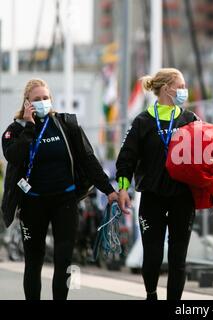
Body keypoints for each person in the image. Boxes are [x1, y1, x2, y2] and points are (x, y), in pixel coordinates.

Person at [1, 78, 118, 300]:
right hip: (33, 203)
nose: (43, 102)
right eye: (37, 99)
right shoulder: (15, 130)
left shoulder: (66, 125)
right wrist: (29, 127)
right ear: (27, 103)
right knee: (34, 261)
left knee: (64, 261)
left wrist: (109, 190)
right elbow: (13, 156)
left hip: (65, 201)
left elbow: (88, 159)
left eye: (46, 98)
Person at [116, 68, 198, 300]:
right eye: (180, 86)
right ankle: (151, 294)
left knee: (178, 258)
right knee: (152, 256)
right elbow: (126, 159)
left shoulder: (190, 119)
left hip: (183, 198)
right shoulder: (143, 121)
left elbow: (205, 159)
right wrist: (123, 188)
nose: (184, 91)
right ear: (166, 89)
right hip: (152, 197)